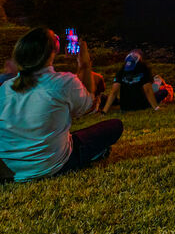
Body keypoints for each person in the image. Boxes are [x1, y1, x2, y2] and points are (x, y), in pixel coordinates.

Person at [0, 27, 123, 181]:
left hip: (12, 169)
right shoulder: (63, 82)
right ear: (53, 50)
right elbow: (91, 107)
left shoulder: (6, 87)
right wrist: (84, 65)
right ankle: (92, 155)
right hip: (50, 165)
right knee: (114, 126)